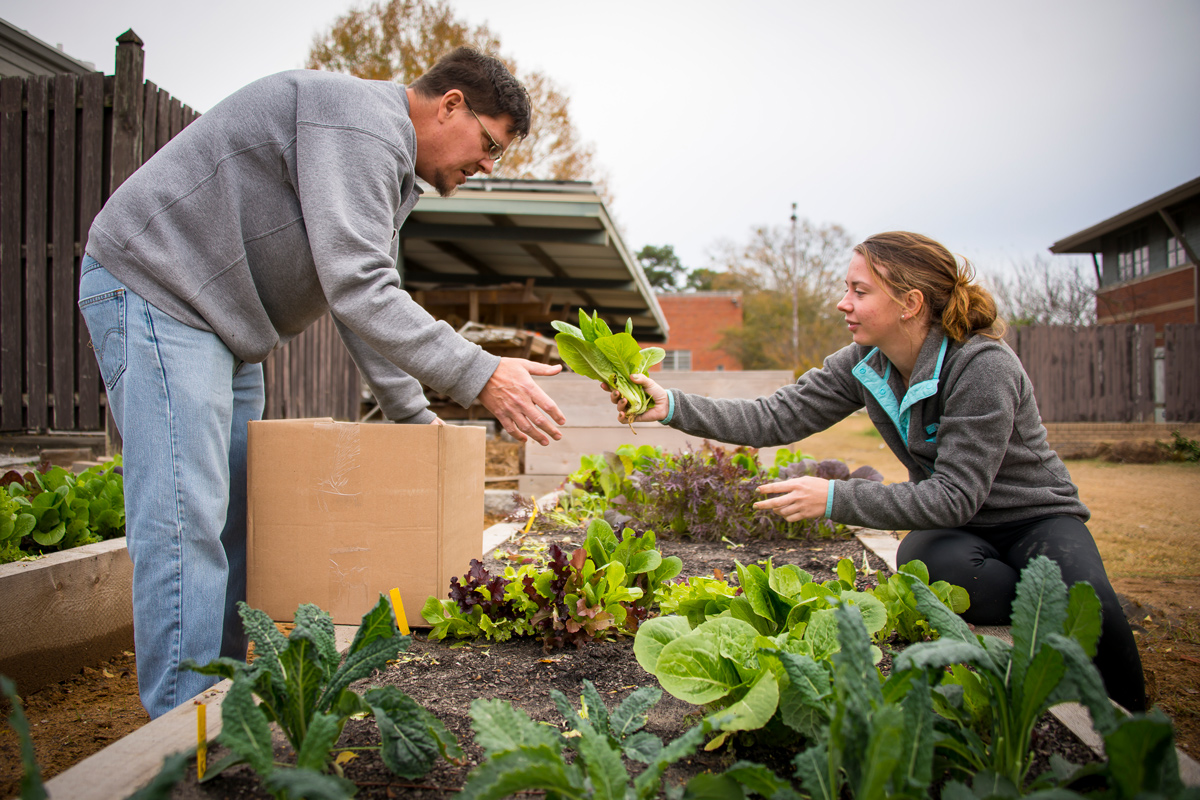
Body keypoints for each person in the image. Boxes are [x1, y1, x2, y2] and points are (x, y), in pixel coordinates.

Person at [77, 47, 567, 718]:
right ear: (451, 103)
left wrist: (413, 419)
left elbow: (360, 301)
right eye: (488, 144)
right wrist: (480, 372)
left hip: (224, 325)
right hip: (160, 291)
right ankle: (179, 726)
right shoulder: (360, 125)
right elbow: (360, 288)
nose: (486, 165)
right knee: (186, 515)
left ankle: (220, 698)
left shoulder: (391, 168)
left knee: (238, 517)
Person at [605, 230, 1146, 712]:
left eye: (859, 291)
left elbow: (954, 495)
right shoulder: (865, 364)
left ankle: (1131, 721)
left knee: (1088, 606)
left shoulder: (982, 366)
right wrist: (670, 405)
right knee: (922, 562)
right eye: (847, 289)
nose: (844, 303)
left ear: (910, 303)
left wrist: (835, 497)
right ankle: (1033, 608)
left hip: (1035, 519)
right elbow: (775, 415)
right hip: (962, 531)